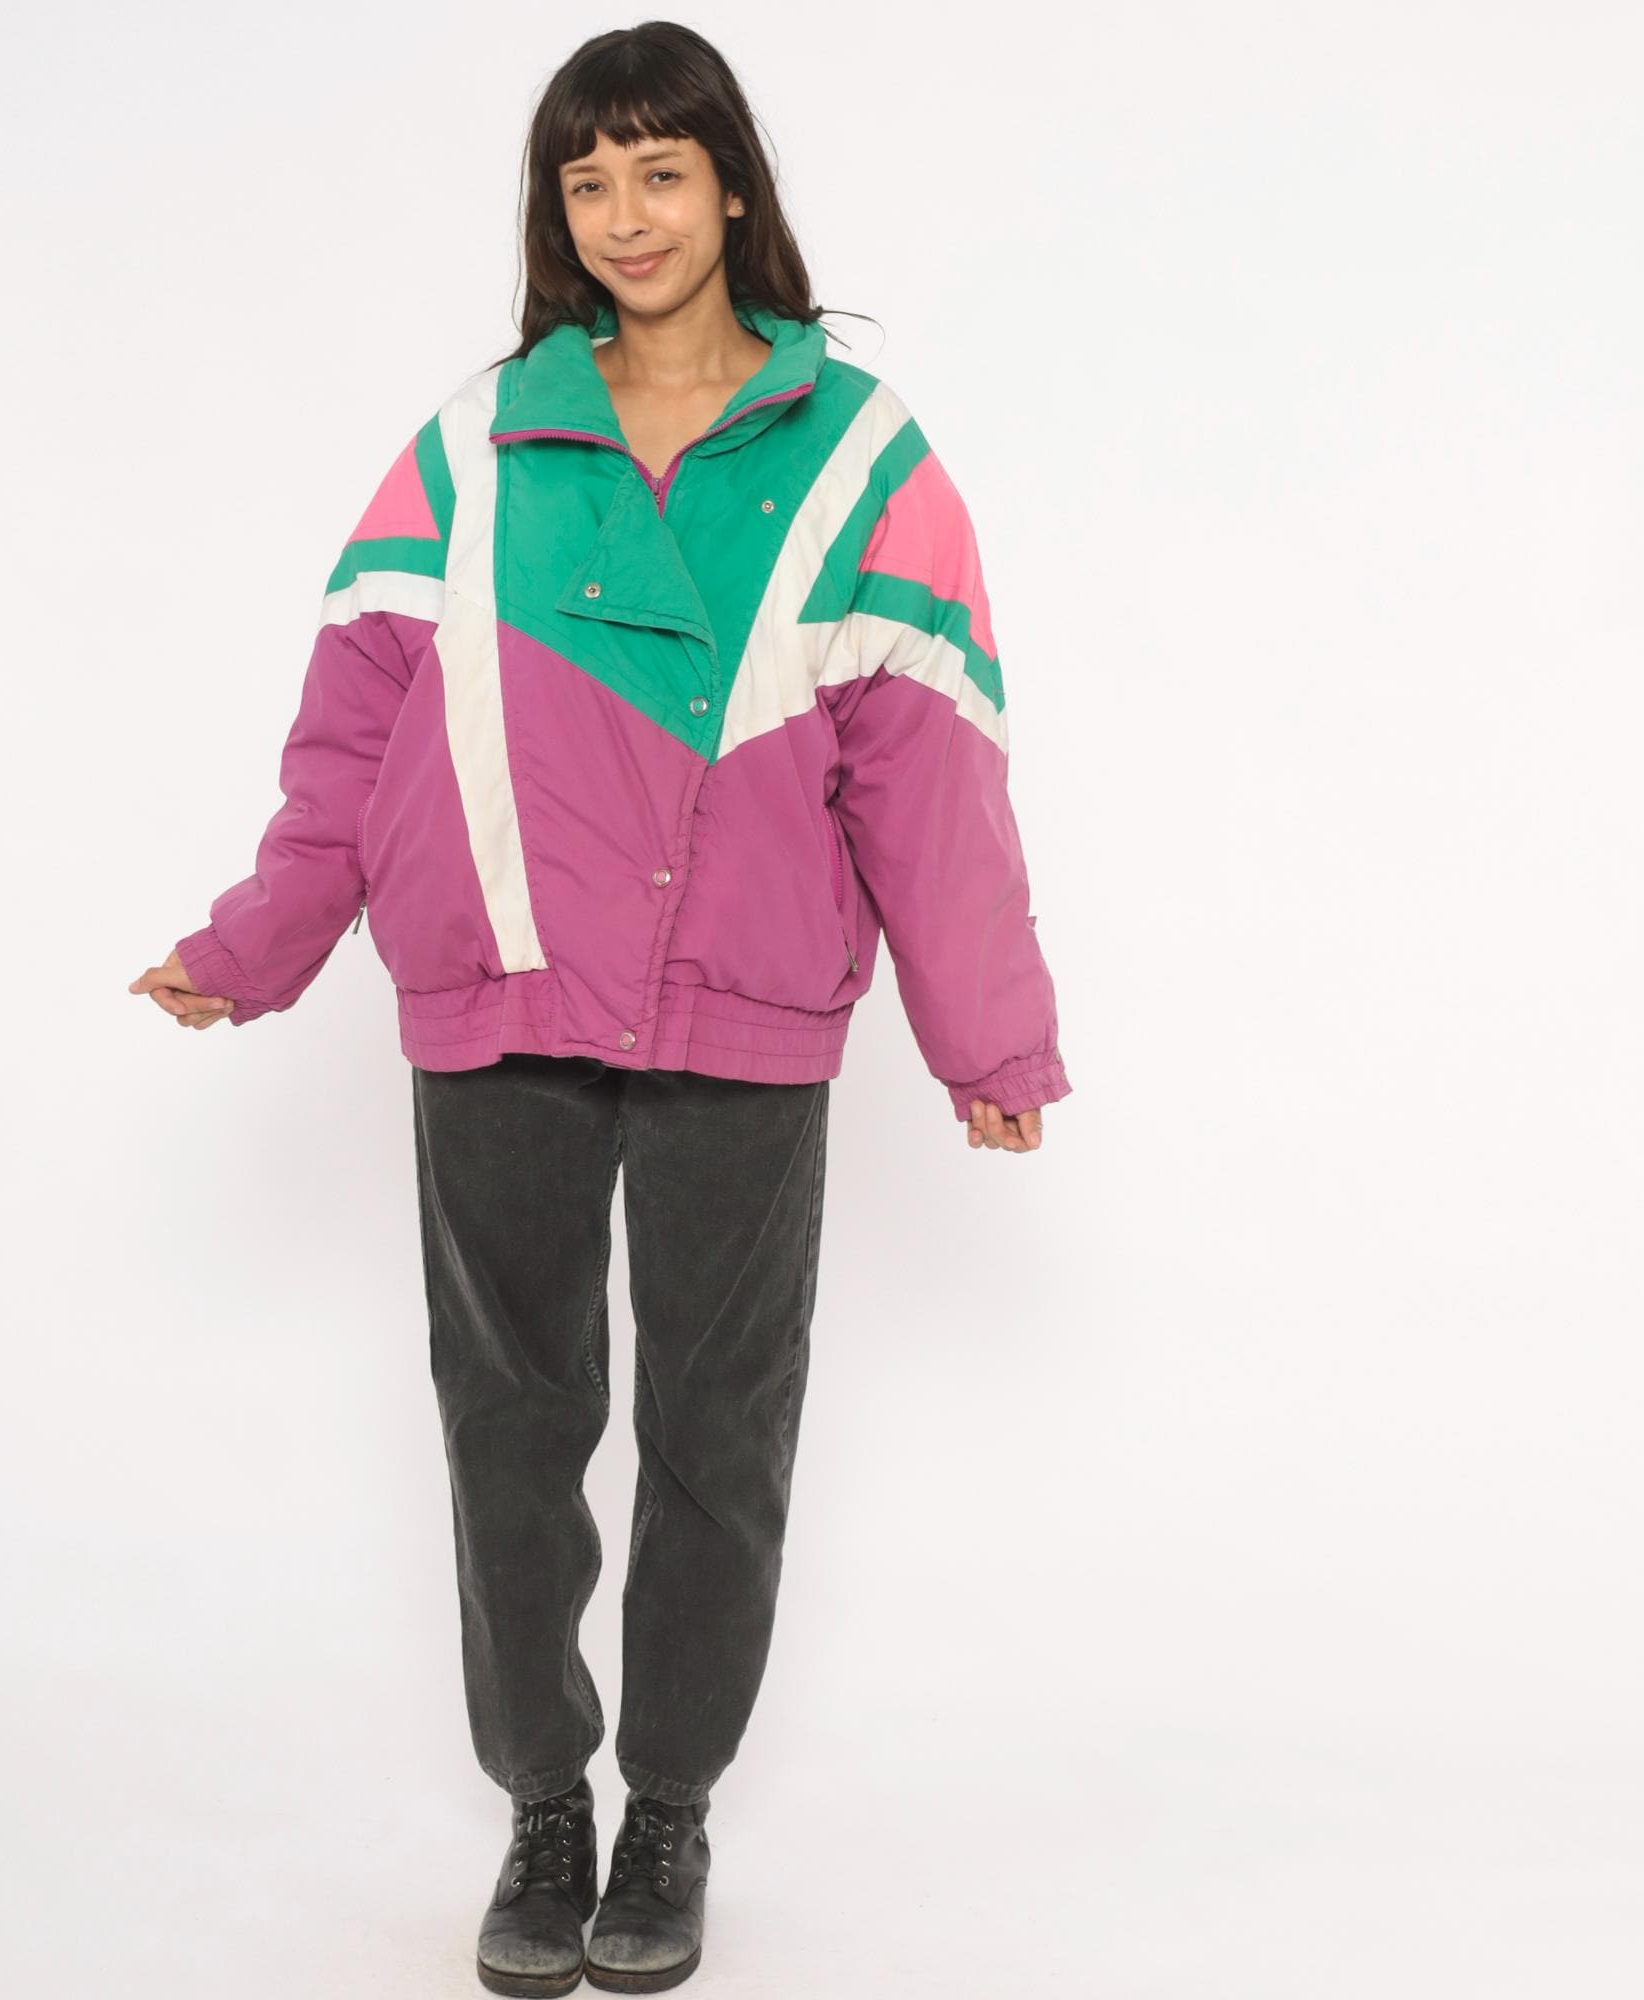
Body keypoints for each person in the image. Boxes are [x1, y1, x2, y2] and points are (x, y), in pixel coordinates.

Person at [129, 22, 1072, 1995]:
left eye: (659, 170)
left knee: (721, 1433)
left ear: (730, 185)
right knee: (511, 1423)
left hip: (743, 999)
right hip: (496, 982)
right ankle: (544, 1803)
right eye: (586, 180)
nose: (625, 215)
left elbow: (931, 772)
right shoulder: (475, 443)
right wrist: (256, 941)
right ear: (553, 212)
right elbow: (354, 727)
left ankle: (670, 1810)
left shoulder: (860, 455)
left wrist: (986, 1037)